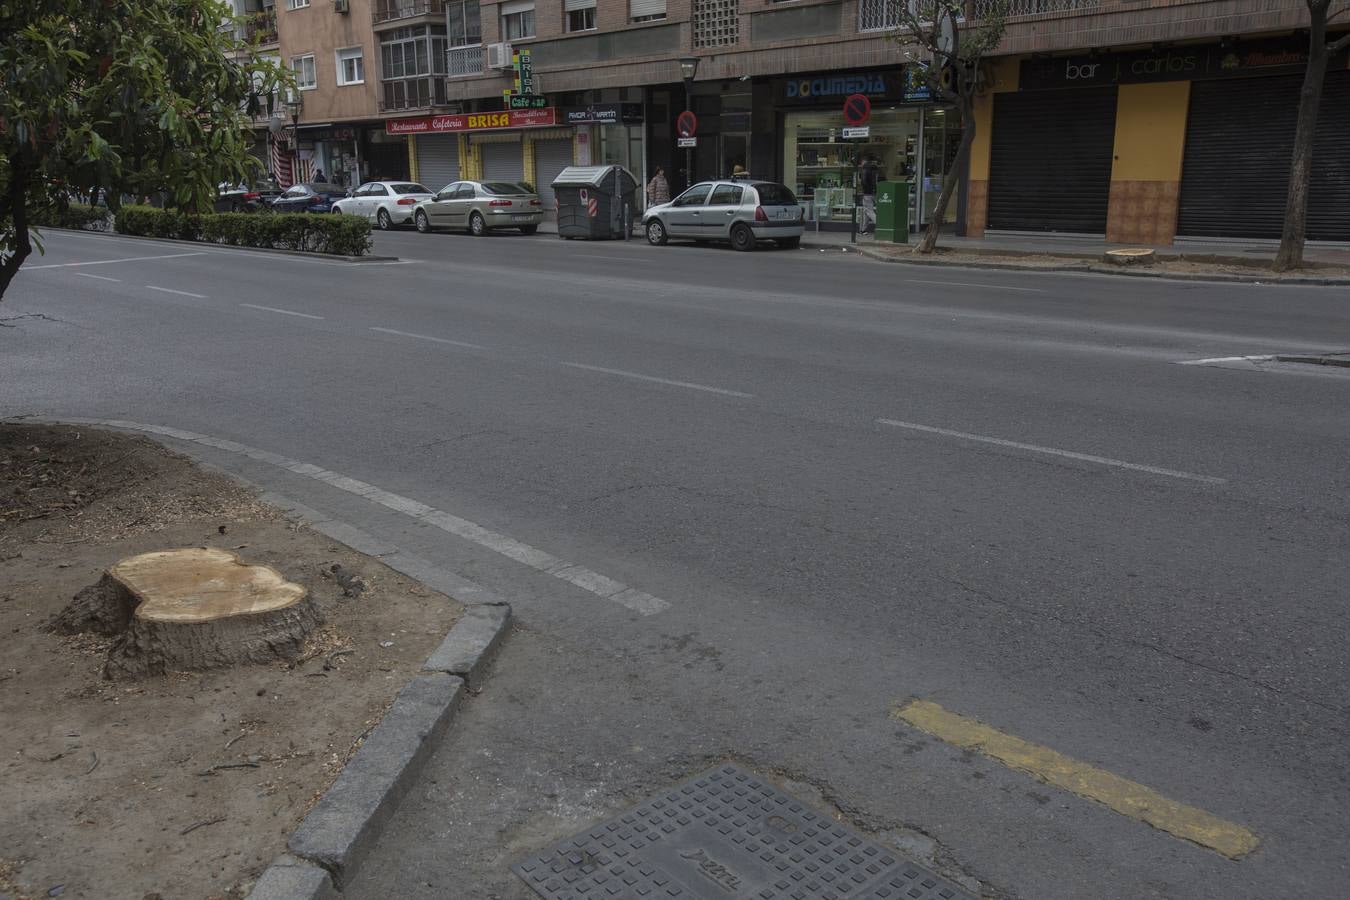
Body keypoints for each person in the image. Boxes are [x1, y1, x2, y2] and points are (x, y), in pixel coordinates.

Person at [858, 155, 879, 234]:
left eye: (861, 163)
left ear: (864, 161)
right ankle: (863, 229)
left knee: (869, 211)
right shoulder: (875, 168)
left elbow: (864, 181)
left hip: (867, 193)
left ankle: (880, 225)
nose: (861, 164)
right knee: (866, 211)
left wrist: (864, 189)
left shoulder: (865, 169)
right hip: (875, 192)